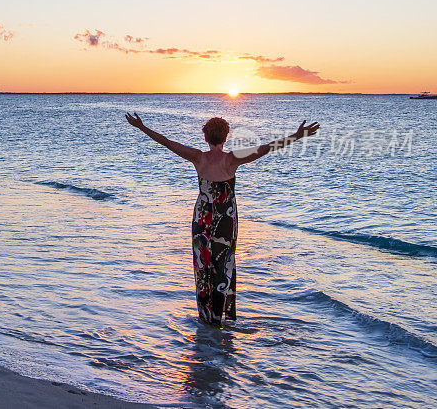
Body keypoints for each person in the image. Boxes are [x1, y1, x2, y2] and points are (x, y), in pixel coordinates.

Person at [125, 112, 319, 326]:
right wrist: (297, 136)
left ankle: (205, 318)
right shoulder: (232, 159)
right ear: (225, 137)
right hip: (226, 217)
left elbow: (167, 142)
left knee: (203, 264)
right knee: (224, 262)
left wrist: (141, 127)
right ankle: (219, 317)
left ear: (206, 138)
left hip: (202, 216)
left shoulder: (197, 157)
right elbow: (267, 148)